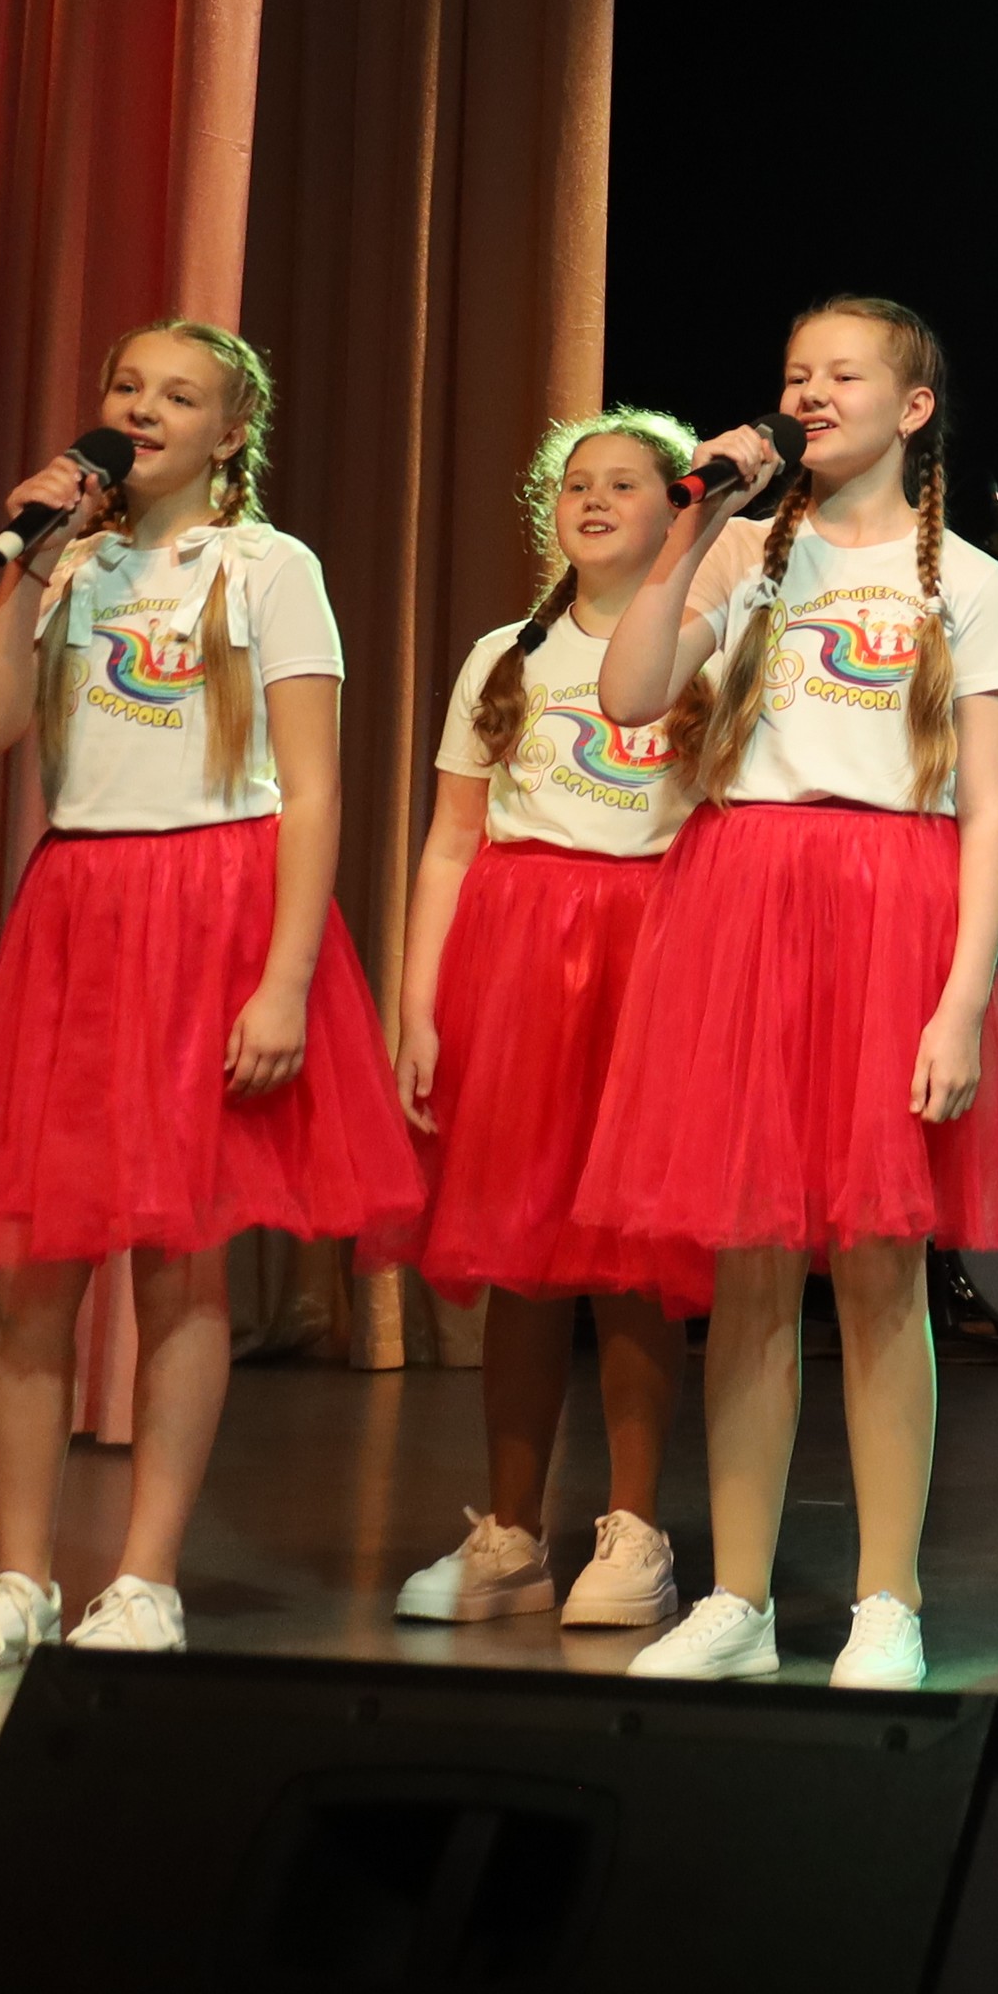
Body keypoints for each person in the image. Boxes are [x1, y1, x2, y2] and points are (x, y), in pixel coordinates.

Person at [0, 322, 420, 1672]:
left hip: (213, 910)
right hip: (80, 912)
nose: (142, 409)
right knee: (31, 1269)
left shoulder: (269, 568)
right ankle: (17, 1579)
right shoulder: (72, 564)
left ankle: (144, 1580)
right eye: (127, 387)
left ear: (231, 432)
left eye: (178, 396)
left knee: (181, 1264)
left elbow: (312, 788)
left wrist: (286, 980)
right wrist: (31, 563)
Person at [572, 298, 998, 1691]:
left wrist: (961, 1000)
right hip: (745, 905)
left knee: (882, 1270)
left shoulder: (969, 580)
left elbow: (992, 812)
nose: (813, 394)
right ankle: (740, 1596)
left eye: (844, 375)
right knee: (750, 1269)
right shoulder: (747, 551)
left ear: (914, 407)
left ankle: (889, 1598)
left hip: (894, 910)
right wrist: (692, 530)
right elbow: (629, 696)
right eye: (795, 375)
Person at [389, 408, 712, 1639]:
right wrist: (420, 1004)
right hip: (520, 968)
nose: (595, 499)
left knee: (635, 1255)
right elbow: (450, 840)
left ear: (676, 509)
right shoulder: (502, 657)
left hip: (656, 957)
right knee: (519, 1251)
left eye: (624, 483)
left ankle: (633, 1529)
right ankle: (512, 1533)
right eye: (578, 482)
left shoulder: (706, 644)